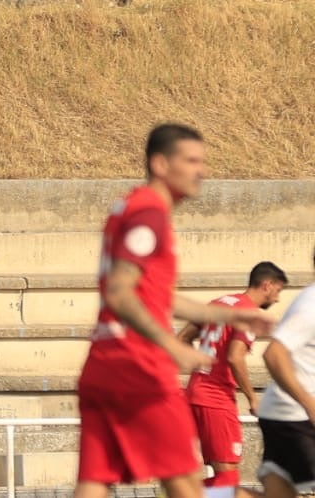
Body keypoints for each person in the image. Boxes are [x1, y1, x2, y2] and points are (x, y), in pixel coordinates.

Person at [74, 124, 275, 498]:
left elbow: (153, 296)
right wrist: (171, 346)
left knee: (94, 482)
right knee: (184, 481)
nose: (204, 171)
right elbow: (120, 293)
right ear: (161, 164)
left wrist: (228, 315)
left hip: (103, 363)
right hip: (141, 367)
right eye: (192, 161)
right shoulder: (149, 214)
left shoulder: (129, 205)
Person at [180, 261, 288, 498]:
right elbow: (235, 357)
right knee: (227, 477)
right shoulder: (247, 313)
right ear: (267, 285)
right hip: (216, 399)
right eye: (278, 291)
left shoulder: (220, 303)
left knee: (222, 477)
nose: (278, 298)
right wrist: (253, 397)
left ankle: (179, 492)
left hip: (196, 393)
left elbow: (182, 337)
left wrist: (203, 366)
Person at [256, 250, 315, 498]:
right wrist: (310, 404)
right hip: (297, 418)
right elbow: (274, 353)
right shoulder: (311, 305)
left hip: (283, 414)